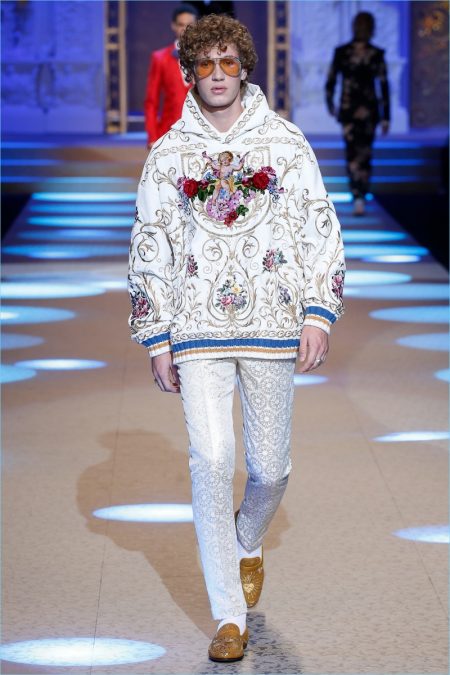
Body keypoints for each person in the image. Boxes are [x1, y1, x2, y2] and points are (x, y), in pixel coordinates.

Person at [129, 14, 345, 662]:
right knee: (211, 458)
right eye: (206, 64)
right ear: (189, 72)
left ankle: (245, 538)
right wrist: (157, 336)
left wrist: (317, 312)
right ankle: (228, 615)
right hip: (196, 325)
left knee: (270, 470)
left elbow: (319, 225)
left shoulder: (285, 142)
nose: (218, 75)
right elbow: (149, 244)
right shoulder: (170, 153)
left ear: (245, 68)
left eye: (228, 62)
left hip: (273, 322)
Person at [325, 11, 390, 216]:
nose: (362, 29)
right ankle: (357, 195)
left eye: (365, 25)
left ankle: (361, 193)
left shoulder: (377, 54)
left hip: (368, 111)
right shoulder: (342, 52)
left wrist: (386, 116)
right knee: (353, 152)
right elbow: (331, 80)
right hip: (350, 110)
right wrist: (330, 103)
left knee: (365, 152)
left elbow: (384, 85)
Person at [143, 3, 199, 148]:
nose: (185, 29)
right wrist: (152, 137)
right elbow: (151, 101)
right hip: (169, 133)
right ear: (173, 26)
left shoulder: (206, 58)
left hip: (200, 133)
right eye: (181, 25)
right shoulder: (160, 58)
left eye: (189, 25)